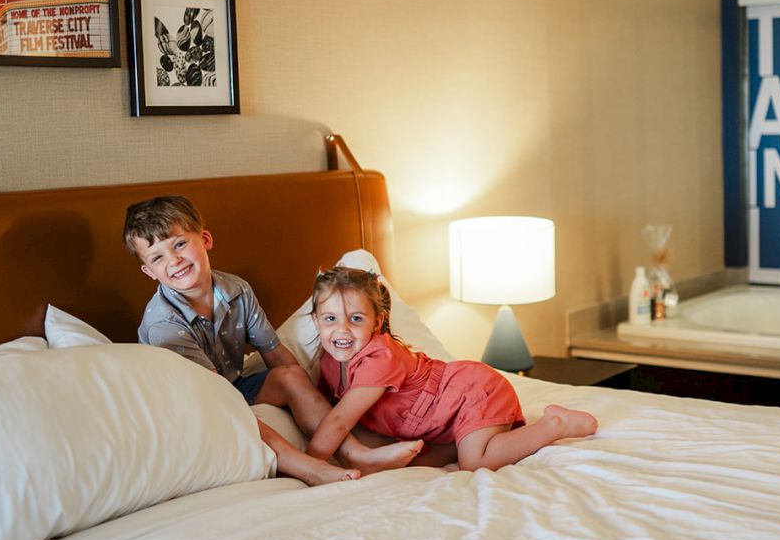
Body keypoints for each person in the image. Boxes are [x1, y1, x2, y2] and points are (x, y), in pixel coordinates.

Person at [123, 195, 424, 485]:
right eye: (158, 257)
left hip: (231, 382)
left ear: (205, 239)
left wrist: (316, 401)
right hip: (194, 400)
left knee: (290, 375)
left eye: (180, 244)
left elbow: (275, 352)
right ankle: (305, 468)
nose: (174, 260)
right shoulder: (165, 324)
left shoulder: (236, 290)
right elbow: (216, 399)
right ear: (149, 271)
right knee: (231, 410)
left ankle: (354, 453)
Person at [306, 266, 598, 472]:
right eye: (330, 318)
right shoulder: (330, 362)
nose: (341, 329)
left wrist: (310, 465)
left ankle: (554, 425)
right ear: (315, 321)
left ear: (377, 321)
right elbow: (327, 412)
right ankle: (455, 444)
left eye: (356, 318)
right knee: (396, 461)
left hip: (471, 393)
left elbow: (338, 421)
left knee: (475, 463)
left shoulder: (378, 357)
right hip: (440, 423)